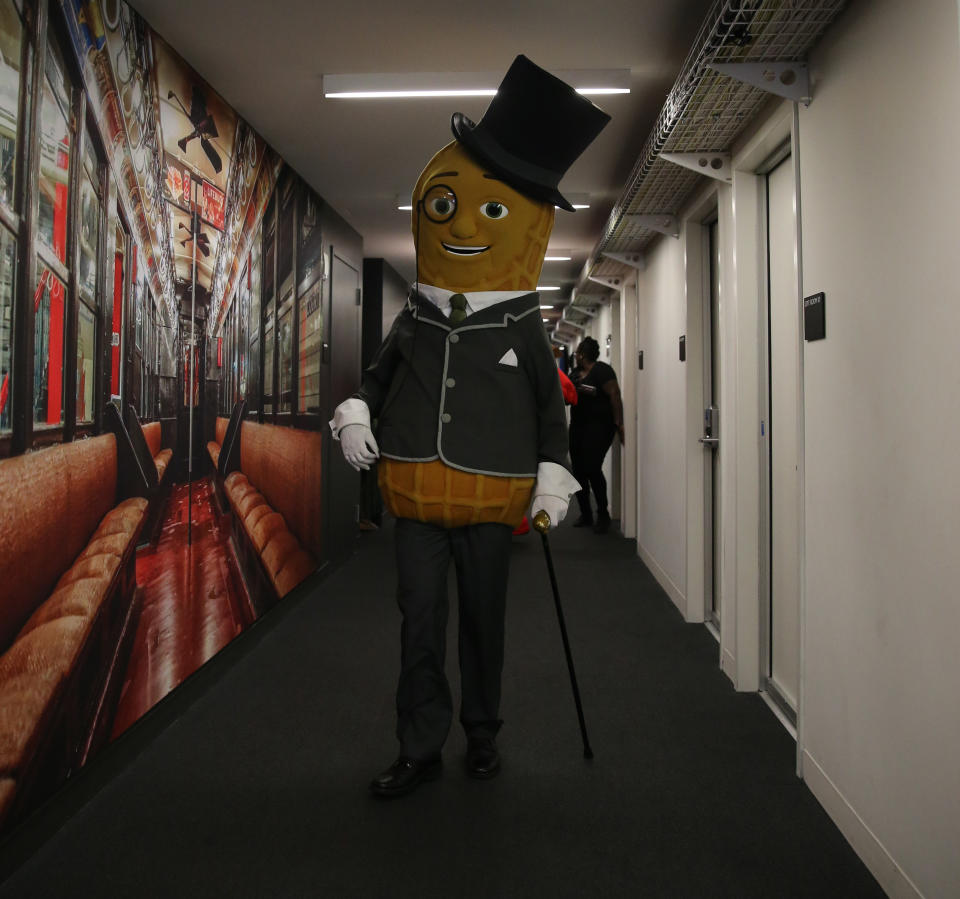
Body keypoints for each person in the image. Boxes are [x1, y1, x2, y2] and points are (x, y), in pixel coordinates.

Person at [330, 55, 609, 798]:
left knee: (484, 623)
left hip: (492, 502)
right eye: (449, 205)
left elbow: (551, 411)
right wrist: (356, 412)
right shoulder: (415, 313)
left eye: (490, 211)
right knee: (417, 625)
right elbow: (378, 378)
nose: (460, 223)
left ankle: (481, 732)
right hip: (416, 497)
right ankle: (419, 742)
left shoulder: (523, 322)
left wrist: (555, 472)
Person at [569, 336, 625, 534]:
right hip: (578, 427)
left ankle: (603, 514)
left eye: (577, 352)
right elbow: (568, 397)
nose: (575, 355)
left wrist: (619, 423)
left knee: (592, 468)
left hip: (600, 427)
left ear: (582, 354)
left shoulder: (602, 370)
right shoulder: (575, 374)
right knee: (578, 471)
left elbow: (614, 395)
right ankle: (586, 514)